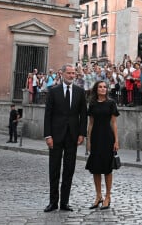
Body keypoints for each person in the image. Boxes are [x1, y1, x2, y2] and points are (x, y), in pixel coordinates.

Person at [43, 64, 87, 212]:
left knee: (69, 169)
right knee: (54, 169)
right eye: (68, 73)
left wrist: (82, 134)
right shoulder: (53, 91)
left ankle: (64, 202)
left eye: (73, 73)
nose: (71, 75)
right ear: (62, 74)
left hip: (72, 137)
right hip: (55, 136)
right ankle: (53, 202)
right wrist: (48, 135)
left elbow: (83, 115)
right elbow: (47, 115)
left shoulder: (80, 92)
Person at [85, 81, 120, 210]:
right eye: (100, 87)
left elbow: (114, 123)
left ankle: (108, 196)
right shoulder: (92, 104)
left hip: (108, 138)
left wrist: (116, 140)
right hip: (95, 138)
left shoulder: (111, 103)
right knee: (95, 168)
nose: (103, 88)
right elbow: (91, 123)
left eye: (105, 87)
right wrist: (88, 140)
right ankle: (98, 196)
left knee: (107, 168)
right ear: (96, 89)